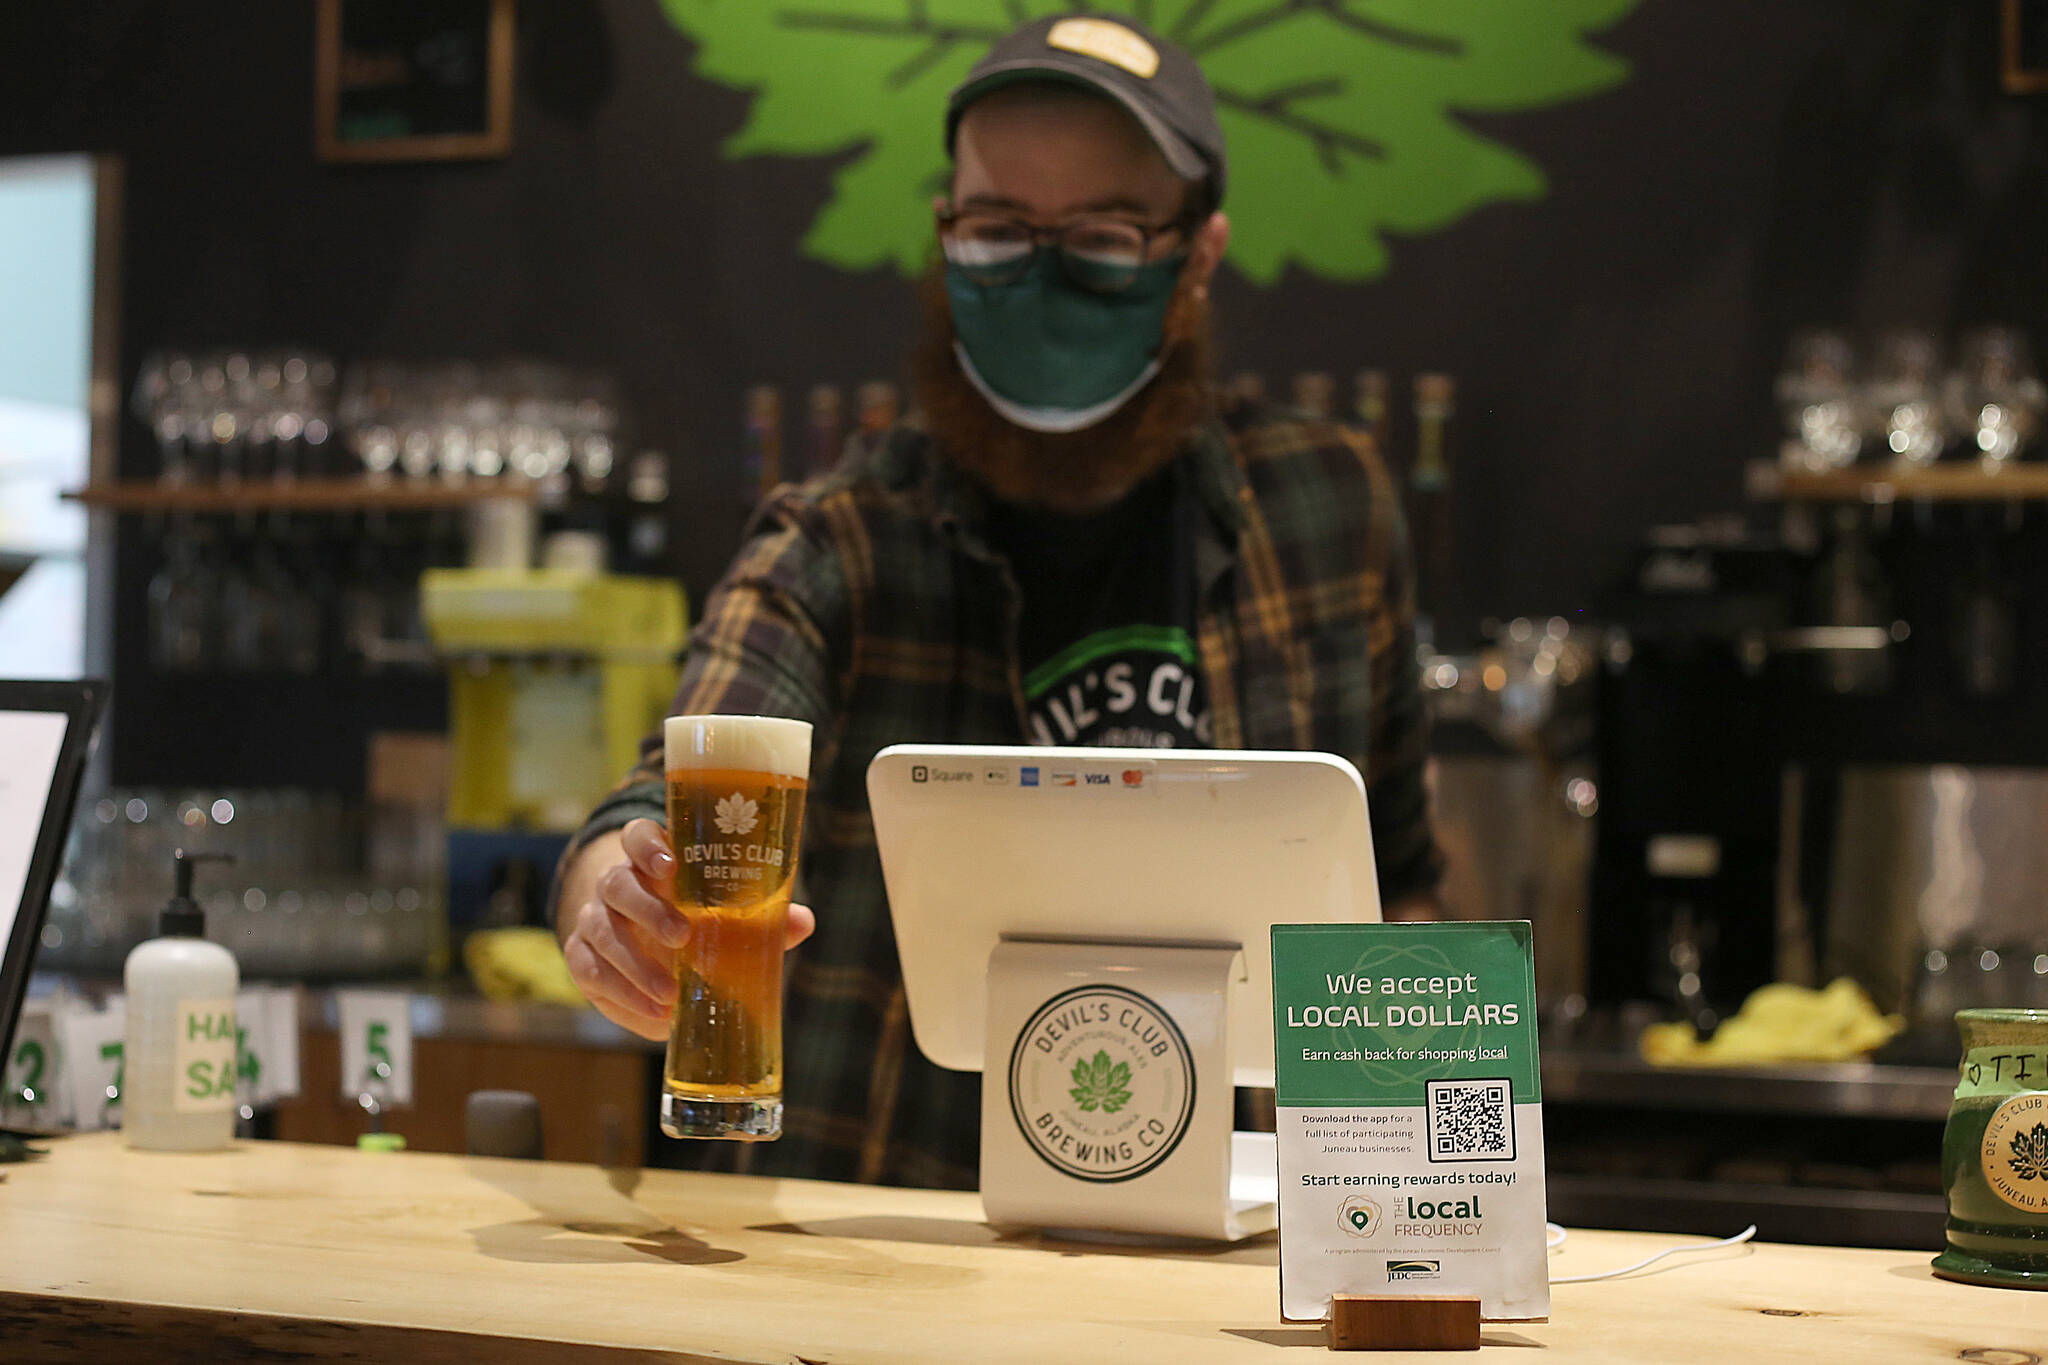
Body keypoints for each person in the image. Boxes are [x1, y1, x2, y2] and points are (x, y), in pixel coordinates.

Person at [553, 13, 1442, 1188]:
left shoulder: (1328, 512)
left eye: (1102, 234)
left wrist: (1421, 1201)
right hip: (890, 1264)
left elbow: (1403, 896)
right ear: (942, 234)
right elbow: (660, 808)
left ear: (1197, 257)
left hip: (1238, 1269)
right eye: (996, 229)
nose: (1039, 269)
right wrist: (620, 904)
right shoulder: (839, 539)